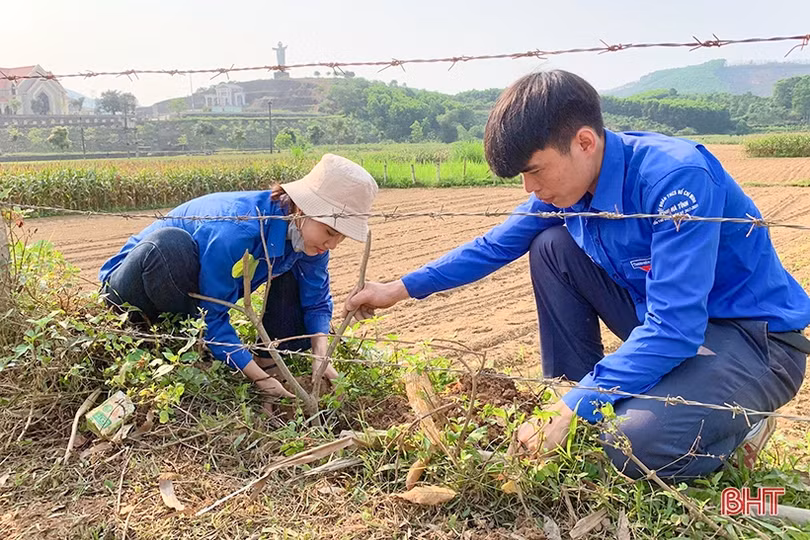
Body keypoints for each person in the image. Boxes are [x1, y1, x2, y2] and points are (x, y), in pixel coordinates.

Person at [344, 71, 810, 479]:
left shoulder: (675, 180)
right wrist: (398, 289)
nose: (529, 189)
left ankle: (740, 427)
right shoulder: (564, 194)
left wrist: (580, 404)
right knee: (551, 246)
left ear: (584, 142)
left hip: (752, 340)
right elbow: (494, 246)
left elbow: (676, 328)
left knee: (635, 445)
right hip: (667, 323)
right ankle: (567, 399)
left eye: (534, 171)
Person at [100, 154, 378, 408]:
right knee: (170, 246)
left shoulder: (306, 239)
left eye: (341, 236)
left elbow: (316, 300)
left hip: (187, 300)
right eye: (330, 231)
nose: (333, 244)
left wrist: (321, 354)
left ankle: (266, 361)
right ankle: (187, 344)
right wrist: (256, 380)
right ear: (301, 209)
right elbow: (211, 313)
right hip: (132, 289)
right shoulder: (237, 230)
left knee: (297, 265)